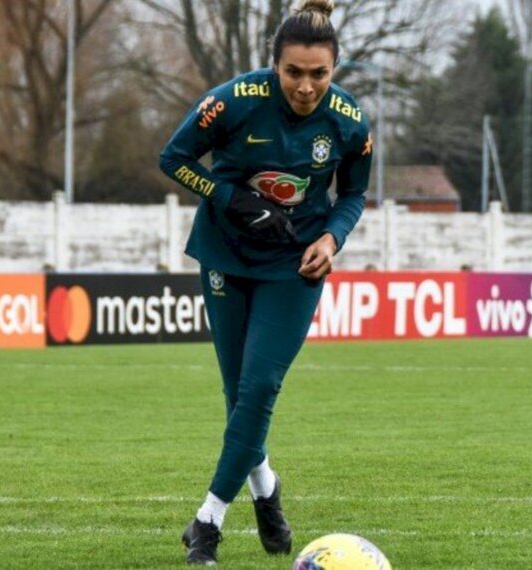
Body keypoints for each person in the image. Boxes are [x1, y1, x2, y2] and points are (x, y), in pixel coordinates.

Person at [158, 0, 372, 564]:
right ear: (274, 65)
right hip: (225, 257)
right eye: (294, 72)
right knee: (239, 398)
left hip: (293, 267)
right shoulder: (234, 101)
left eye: (319, 74)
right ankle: (266, 490)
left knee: (258, 390)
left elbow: (352, 194)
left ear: (334, 70)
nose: (306, 86)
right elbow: (173, 158)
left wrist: (331, 240)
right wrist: (231, 196)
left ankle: (207, 520)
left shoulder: (349, 122)